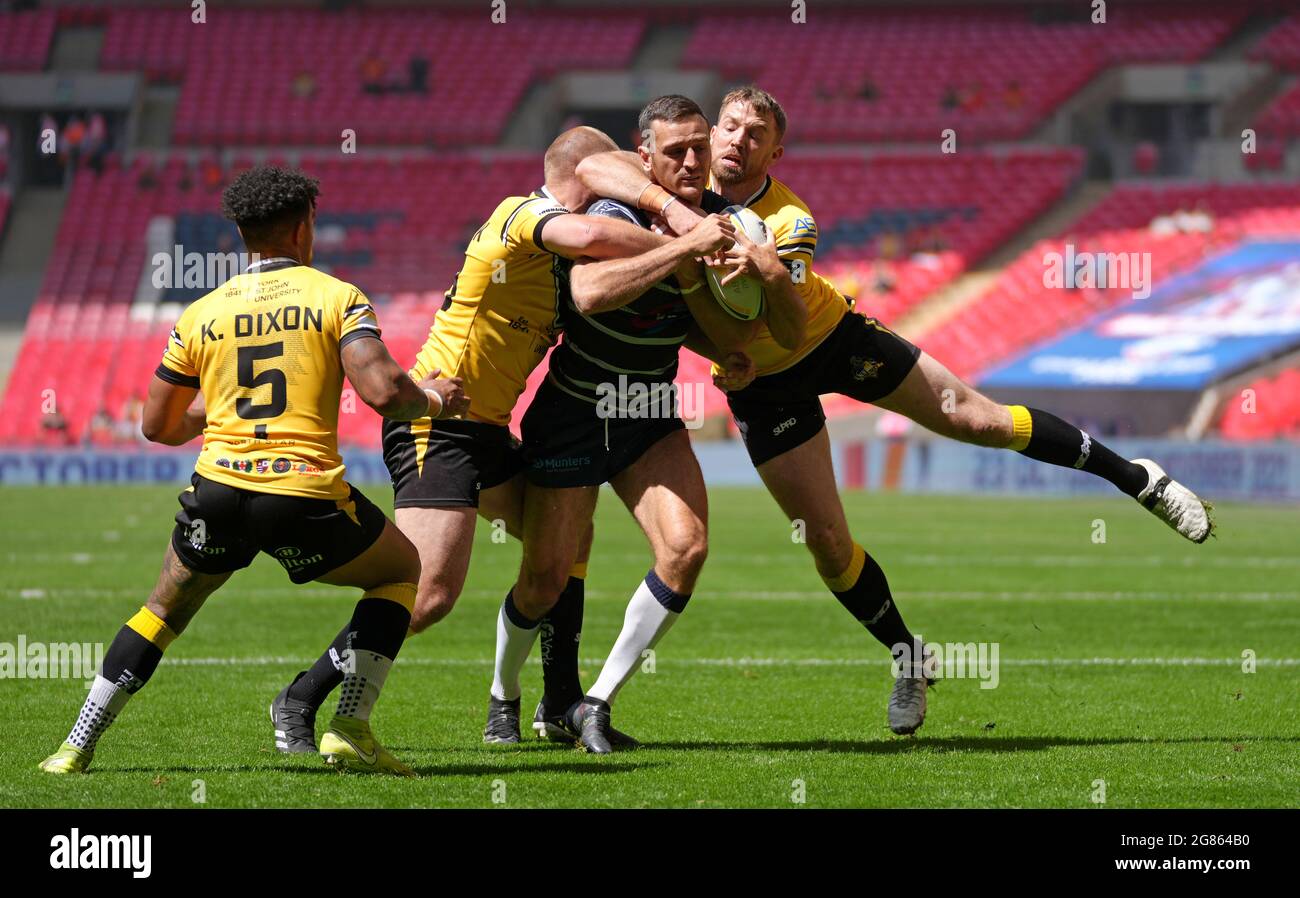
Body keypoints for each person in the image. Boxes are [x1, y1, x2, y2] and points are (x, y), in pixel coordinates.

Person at [574, 85, 1214, 737]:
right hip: (764, 388)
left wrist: (766, 274)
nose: (736, 140)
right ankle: (909, 658)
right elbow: (591, 165)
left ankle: (1136, 479)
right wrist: (679, 236)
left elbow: (790, 331)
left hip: (833, 342)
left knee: (978, 420)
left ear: (775, 150)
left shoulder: (789, 222)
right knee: (825, 544)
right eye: (729, 127)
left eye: (755, 132)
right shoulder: (674, 182)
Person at [268, 128, 700, 752]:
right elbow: (591, 235)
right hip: (436, 425)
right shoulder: (525, 213)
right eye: (614, 168)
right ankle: (300, 696)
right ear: (588, 171)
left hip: (486, 431)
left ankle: (558, 701)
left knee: (567, 534)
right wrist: (684, 237)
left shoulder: (556, 257)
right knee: (427, 593)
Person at [39, 165, 468, 776]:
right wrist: (432, 399)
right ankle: (349, 725)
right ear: (304, 228)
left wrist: (214, 406)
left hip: (217, 490)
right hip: (300, 493)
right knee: (402, 571)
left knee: (161, 611)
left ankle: (75, 745)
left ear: (243, 233)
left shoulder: (202, 313)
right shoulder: (337, 297)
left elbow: (157, 426)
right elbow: (383, 390)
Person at [484, 96, 762, 753]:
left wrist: (730, 349)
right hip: (575, 407)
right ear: (646, 157)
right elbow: (589, 293)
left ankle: (596, 705)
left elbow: (703, 314)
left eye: (700, 146)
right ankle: (504, 692)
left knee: (686, 549)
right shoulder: (613, 210)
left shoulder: (727, 221)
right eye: (676, 151)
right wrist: (681, 244)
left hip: (647, 413)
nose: (693, 160)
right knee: (543, 579)